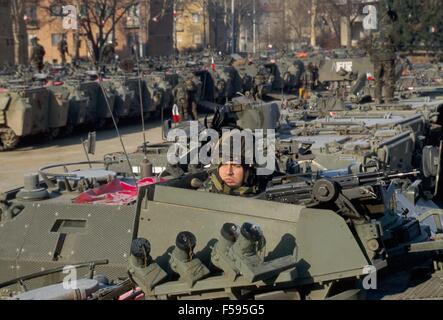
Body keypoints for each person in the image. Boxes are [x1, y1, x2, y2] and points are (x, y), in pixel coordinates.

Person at [200, 131, 264, 197]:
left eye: (236, 166)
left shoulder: (264, 194)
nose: (229, 172)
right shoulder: (202, 195)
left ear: (249, 170)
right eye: (224, 165)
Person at [370, 1, 398, 104]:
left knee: (377, 78)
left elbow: (370, 43)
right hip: (388, 56)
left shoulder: (374, 29)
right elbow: (396, 41)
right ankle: (388, 98)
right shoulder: (391, 28)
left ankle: (377, 98)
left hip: (376, 57)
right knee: (389, 77)